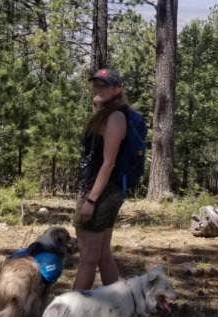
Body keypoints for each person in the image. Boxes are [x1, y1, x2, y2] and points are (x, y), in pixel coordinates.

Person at [73, 68, 131, 290]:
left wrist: (91, 200)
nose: (97, 88)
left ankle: (72, 311)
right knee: (103, 254)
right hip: (103, 191)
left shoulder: (116, 117)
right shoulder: (105, 115)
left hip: (102, 193)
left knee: (88, 258)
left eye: (104, 85)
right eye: (96, 84)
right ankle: (119, 306)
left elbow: (108, 163)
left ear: (117, 89)